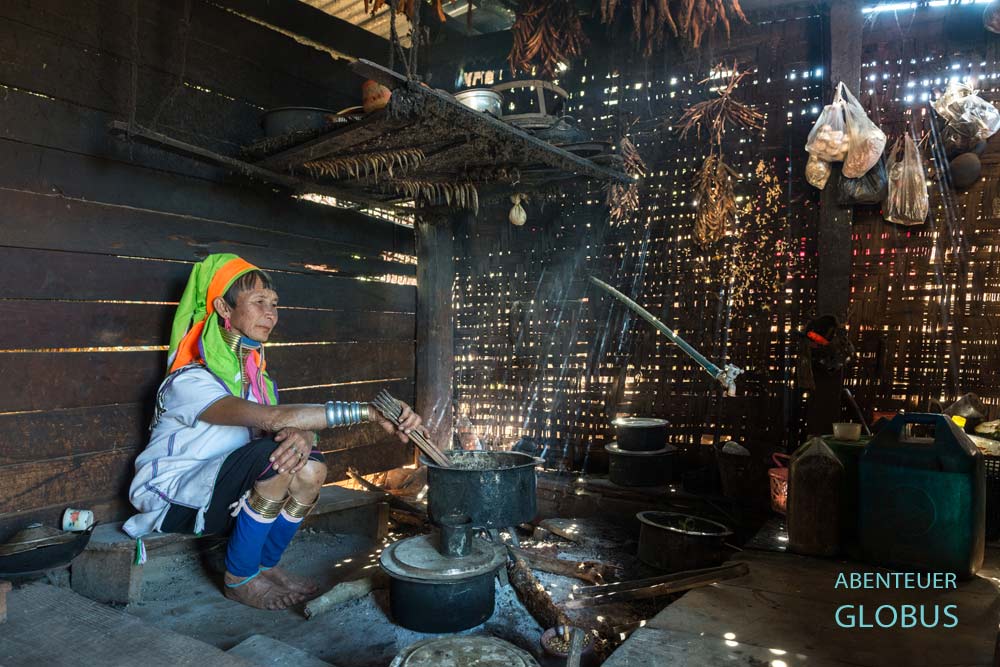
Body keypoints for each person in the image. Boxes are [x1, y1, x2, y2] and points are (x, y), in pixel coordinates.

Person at [123, 253, 424, 610]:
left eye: (275, 304)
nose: (271, 314)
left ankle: (266, 565)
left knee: (311, 466)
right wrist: (371, 412)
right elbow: (273, 419)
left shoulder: (257, 382)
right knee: (275, 459)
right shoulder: (190, 381)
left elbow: (282, 426)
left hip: (219, 489)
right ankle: (239, 579)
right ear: (223, 307)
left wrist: (303, 436)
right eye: (259, 302)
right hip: (171, 498)